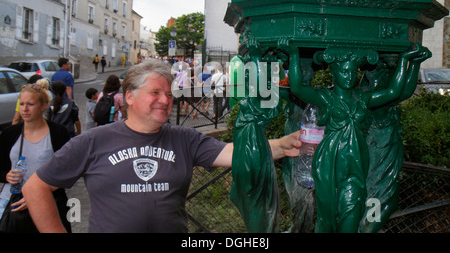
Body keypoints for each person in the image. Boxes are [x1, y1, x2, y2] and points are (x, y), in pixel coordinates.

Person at [22, 59, 302, 233]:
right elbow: (35, 187)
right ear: (129, 97)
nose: (165, 100)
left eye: (168, 93)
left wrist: (282, 144)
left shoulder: (183, 138)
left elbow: (234, 152)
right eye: (155, 92)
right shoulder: (94, 141)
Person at [280, 39, 426, 233]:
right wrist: (294, 55)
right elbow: (298, 88)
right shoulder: (326, 98)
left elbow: (394, 91)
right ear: (334, 72)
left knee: (351, 211)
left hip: (355, 167)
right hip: (329, 165)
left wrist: (407, 61)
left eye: (352, 71)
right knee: (326, 219)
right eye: (344, 71)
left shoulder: (363, 99)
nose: (348, 76)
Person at [0, 84, 72, 233]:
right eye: (22, 104)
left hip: (47, 203)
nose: (24, 109)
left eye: (30, 104)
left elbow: (68, 171)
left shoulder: (58, 133)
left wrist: (36, 196)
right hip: (11, 202)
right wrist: (6, 175)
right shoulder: (9, 134)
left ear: (43, 106)